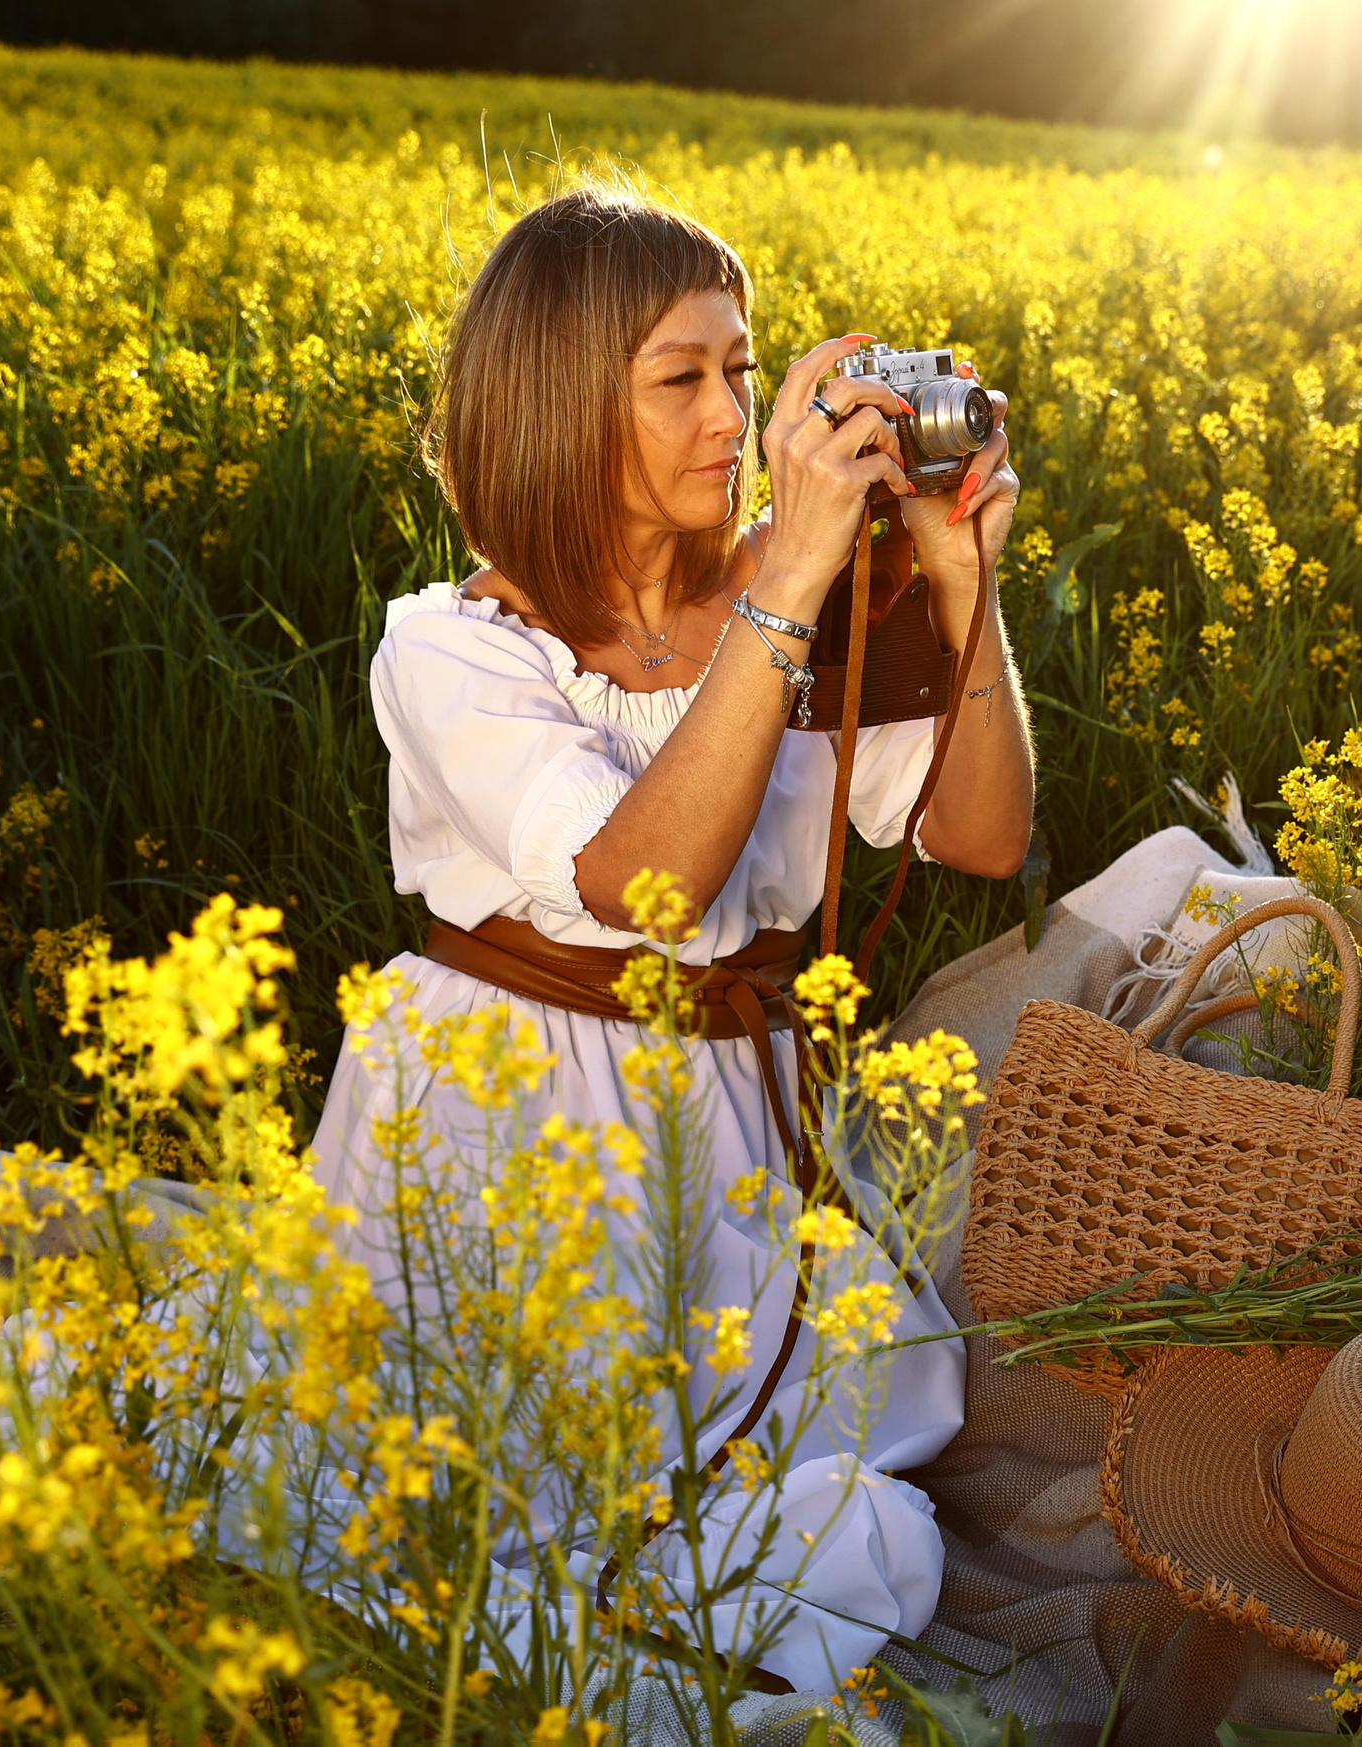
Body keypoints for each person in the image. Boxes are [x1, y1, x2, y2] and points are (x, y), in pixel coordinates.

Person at [305, 183, 1035, 1687]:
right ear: (564, 404)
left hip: (731, 1121)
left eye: (745, 370)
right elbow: (652, 887)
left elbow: (982, 838)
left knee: (804, 1459)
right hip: (507, 1125)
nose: (732, 415)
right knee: (477, 1497)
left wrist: (964, 579)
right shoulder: (453, 647)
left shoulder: (801, 593)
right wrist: (791, 580)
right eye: (680, 378)